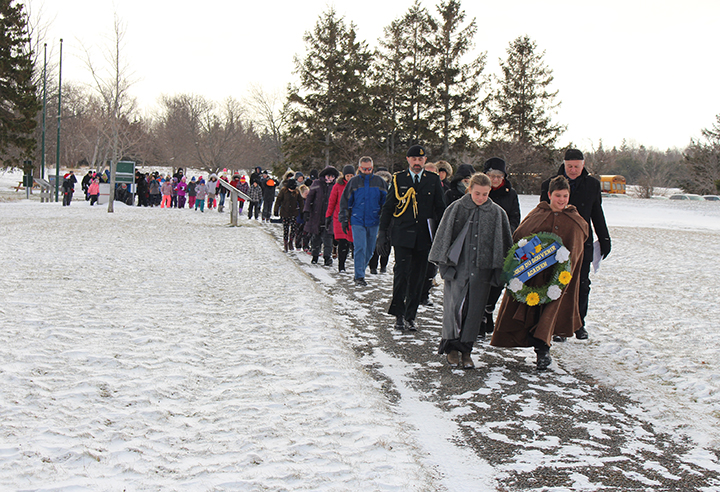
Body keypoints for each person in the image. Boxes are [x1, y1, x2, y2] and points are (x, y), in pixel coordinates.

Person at [491, 175, 589, 370]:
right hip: (535, 276)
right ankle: (536, 344)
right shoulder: (538, 214)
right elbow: (520, 237)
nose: (562, 200)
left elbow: (577, 246)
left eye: (565, 196)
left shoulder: (575, 220)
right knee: (532, 311)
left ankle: (543, 349)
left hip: (559, 279)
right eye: (558, 196)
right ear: (549, 195)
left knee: (550, 312)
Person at [429, 173, 513, 369]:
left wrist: (501, 270)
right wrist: (444, 264)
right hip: (458, 268)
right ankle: (450, 347)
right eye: (477, 193)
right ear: (470, 189)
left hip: (482, 270)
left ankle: (466, 350)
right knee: (454, 307)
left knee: (475, 310)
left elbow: (504, 242)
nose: (481, 198)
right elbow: (443, 237)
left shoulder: (497, 213)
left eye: (485, 194)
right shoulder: (456, 208)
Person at [540, 148, 611, 341]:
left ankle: (578, 323)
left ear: (583, 165)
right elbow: (543, 213)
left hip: (582, 243)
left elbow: (597, 213)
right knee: (558, 284)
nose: (573, 170)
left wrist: (604, 238)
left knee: (581, 284)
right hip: (557, 242)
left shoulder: (592, 185)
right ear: (564, 164)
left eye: (577, 166)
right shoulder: (550, 184)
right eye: (569, 166)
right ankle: (557, 325)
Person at [377, 145, 446, 331]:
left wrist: (442, 236)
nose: (417, 163)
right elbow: (389, 207)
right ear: (408, 159)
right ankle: (398, 315)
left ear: (425, 160)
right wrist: (382, 233)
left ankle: (410, 316)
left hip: (424, 237)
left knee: (418, 278)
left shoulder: (432, 180)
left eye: (421, 159)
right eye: (414, 159)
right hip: (402, 235)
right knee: (401, 275)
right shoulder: (399, 179)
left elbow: (441, 209)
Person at [481, 157, 522, 335]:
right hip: (482, 242)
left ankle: (488, 310)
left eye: (499, 176)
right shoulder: (481, 191)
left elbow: (515, 217)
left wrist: (507, 233)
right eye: (492, 175)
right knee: (481, 281)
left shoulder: (510, 194)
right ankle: (479, 315)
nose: (495, 179)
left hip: (503, 243)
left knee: (498, 281)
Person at [339, 157, 387, 285]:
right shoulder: (354, 182)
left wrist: (385, 218)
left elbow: (386, 201)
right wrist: (344, 219)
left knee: (370, 250)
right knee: (360, 247)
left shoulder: (379, 182)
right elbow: (345, 201)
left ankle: (360, 270)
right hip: (357, 219)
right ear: (359, 168)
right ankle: (359, 276)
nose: (367, 171)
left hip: (374, 220)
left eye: (369, 168)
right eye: (364, 169)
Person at [303, 166, 339, 265]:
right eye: (329, 176)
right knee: (316, 237)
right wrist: (306, 210)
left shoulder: (335, 186)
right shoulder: (317, 184)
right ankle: (315, 255)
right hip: (316, 214)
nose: (330, 178)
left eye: (332, 176)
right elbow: (310, 198)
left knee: (328, 238)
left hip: (329, 216)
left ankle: (327, 257)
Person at [327, 165, 355, 273]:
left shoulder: (357, 185)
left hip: (353, 217)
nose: (349, 177)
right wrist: (328, 215)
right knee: (343, 242)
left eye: (351, 175)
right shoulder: (338, 186)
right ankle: (341, 265)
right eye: (347, 175)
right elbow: (332, 201)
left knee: (351, 242)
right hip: (340, 217)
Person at [368, 169, 393, 274]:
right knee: (374, 242)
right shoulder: (372, 189)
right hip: (374, 218)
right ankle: (373, 266)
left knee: (387, 243)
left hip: (388, 219)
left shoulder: (392, 190)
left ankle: (383, 265)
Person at [274, 178, 303, 252]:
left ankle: (291, 242)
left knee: (293, 229)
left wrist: (302, 211)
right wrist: (276, 210)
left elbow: (301, 202)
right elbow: (278, 200)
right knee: (286, 229)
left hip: (294, 212)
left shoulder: (297, 192)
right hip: (285, 212)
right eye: (290, 189)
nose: (292, 190)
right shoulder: (283, 191)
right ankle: (285, 243)